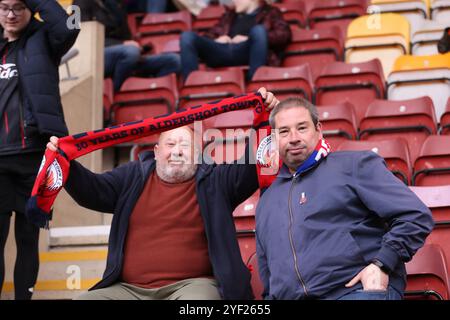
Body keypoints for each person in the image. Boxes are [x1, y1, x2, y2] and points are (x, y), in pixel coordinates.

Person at [45, 88, 278, 300]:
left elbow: (250, 169)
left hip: (192, 286)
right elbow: (93, 192)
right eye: (170, 144)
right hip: (129, 289)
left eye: (185, 146)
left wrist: (264, 121)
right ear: (156, 152)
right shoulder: (132, 176)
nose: (177, 151)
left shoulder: (216, 181)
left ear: (198, 154)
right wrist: (67, 165)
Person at [255, 97, 434, 300]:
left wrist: (382, 263)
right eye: (284, 131)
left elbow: (415, 215)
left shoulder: (354, 165)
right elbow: (268, 278)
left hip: (353, 292)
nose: (294, 137)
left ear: (318, 130)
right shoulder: (267, 200)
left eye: (302, 128)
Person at [0, 0, 79, 299]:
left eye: (18, 7)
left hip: (35, 154)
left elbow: (69, 24)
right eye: (4, 7)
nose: (10, 14)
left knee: (27, 238)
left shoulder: (44, 38)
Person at [73, 0, 181, 92]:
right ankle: (116, 93)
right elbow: (81, 39)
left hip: (124, 54)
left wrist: (139, 47)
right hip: (96, 56)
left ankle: (145, 90)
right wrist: (122, 44)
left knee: (174, 60)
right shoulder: (78, 4)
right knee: (130, 52)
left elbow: (126, 35)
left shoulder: (115, 3)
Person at [180, 0, 291, 82]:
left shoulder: (271, 12)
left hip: (248, 50)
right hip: (223, 50)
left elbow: (284, 35)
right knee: (187, 37)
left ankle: (256, 82)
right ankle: (191, 84)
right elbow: (210, 35)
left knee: (259, 31)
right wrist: (217, 39)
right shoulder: (230, 15)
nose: (234, 1)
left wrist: (250, 39)